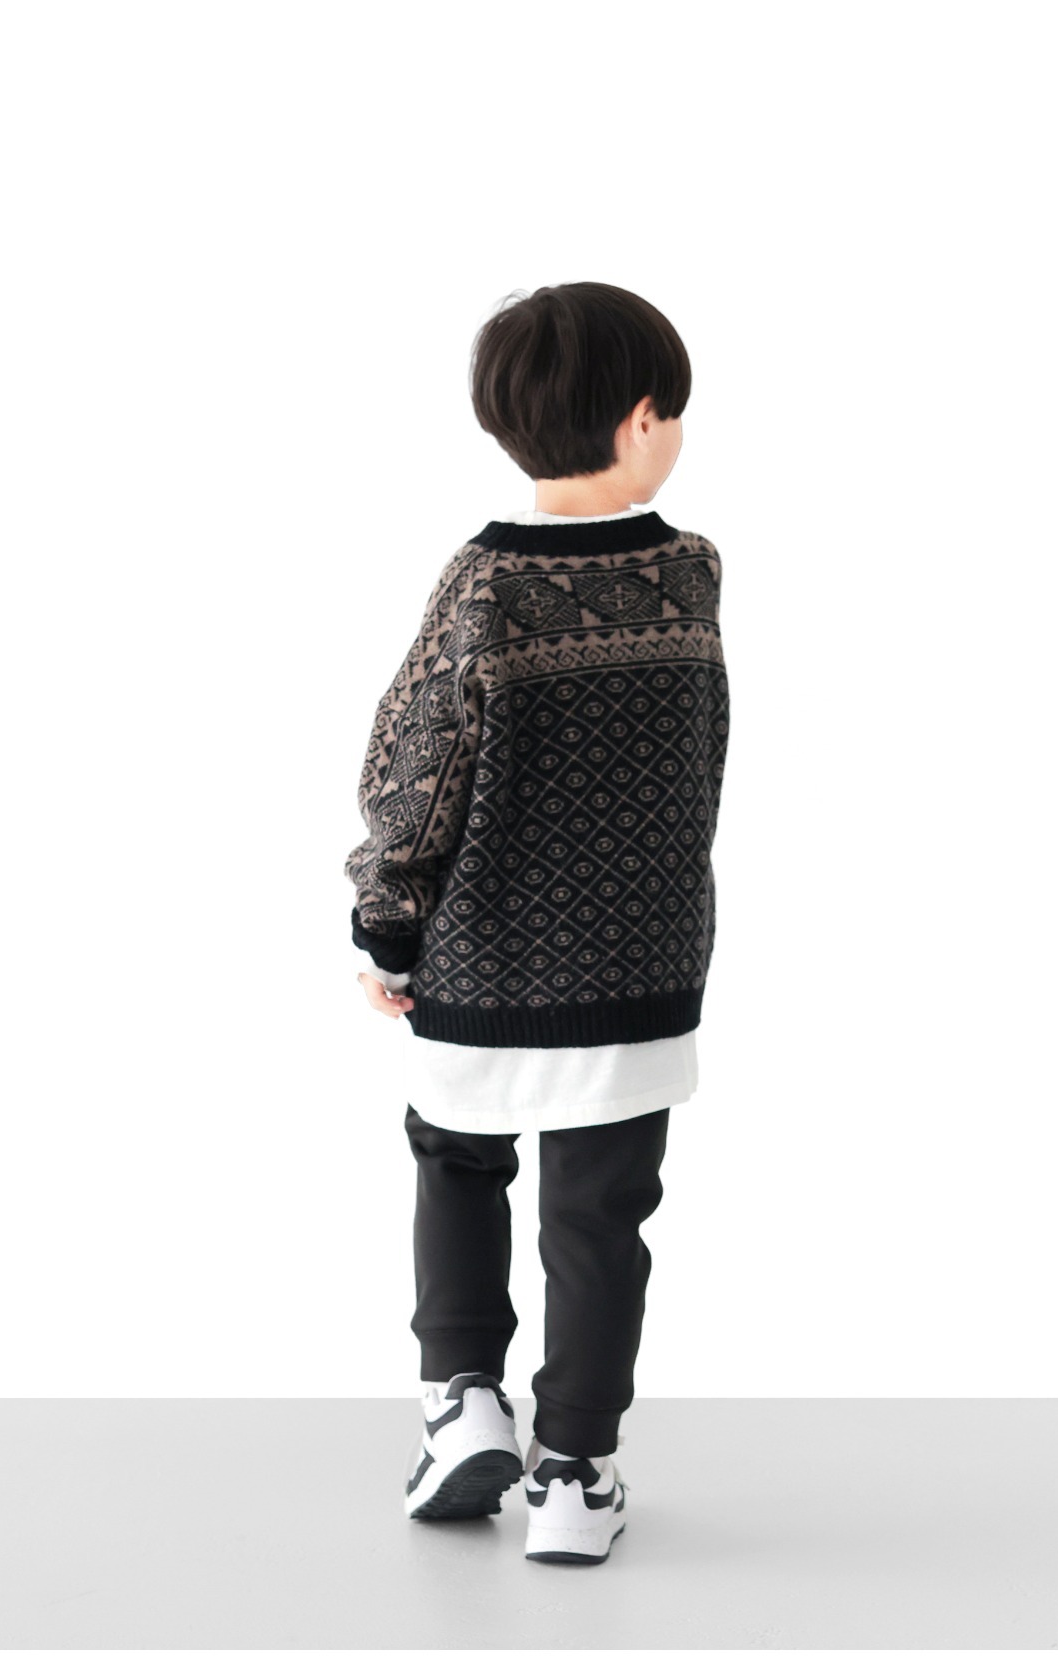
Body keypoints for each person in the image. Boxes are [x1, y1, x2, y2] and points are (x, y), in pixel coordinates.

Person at [343, 282, 730, 1564]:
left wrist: (387, 921)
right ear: (641, 419)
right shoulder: (690, 572)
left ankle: (461, 1402)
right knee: (602, 1214)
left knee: (459, 1159)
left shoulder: (484, 584)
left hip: (486, 952)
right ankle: (574, 1469)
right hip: (642, 957)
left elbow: (417, 765)